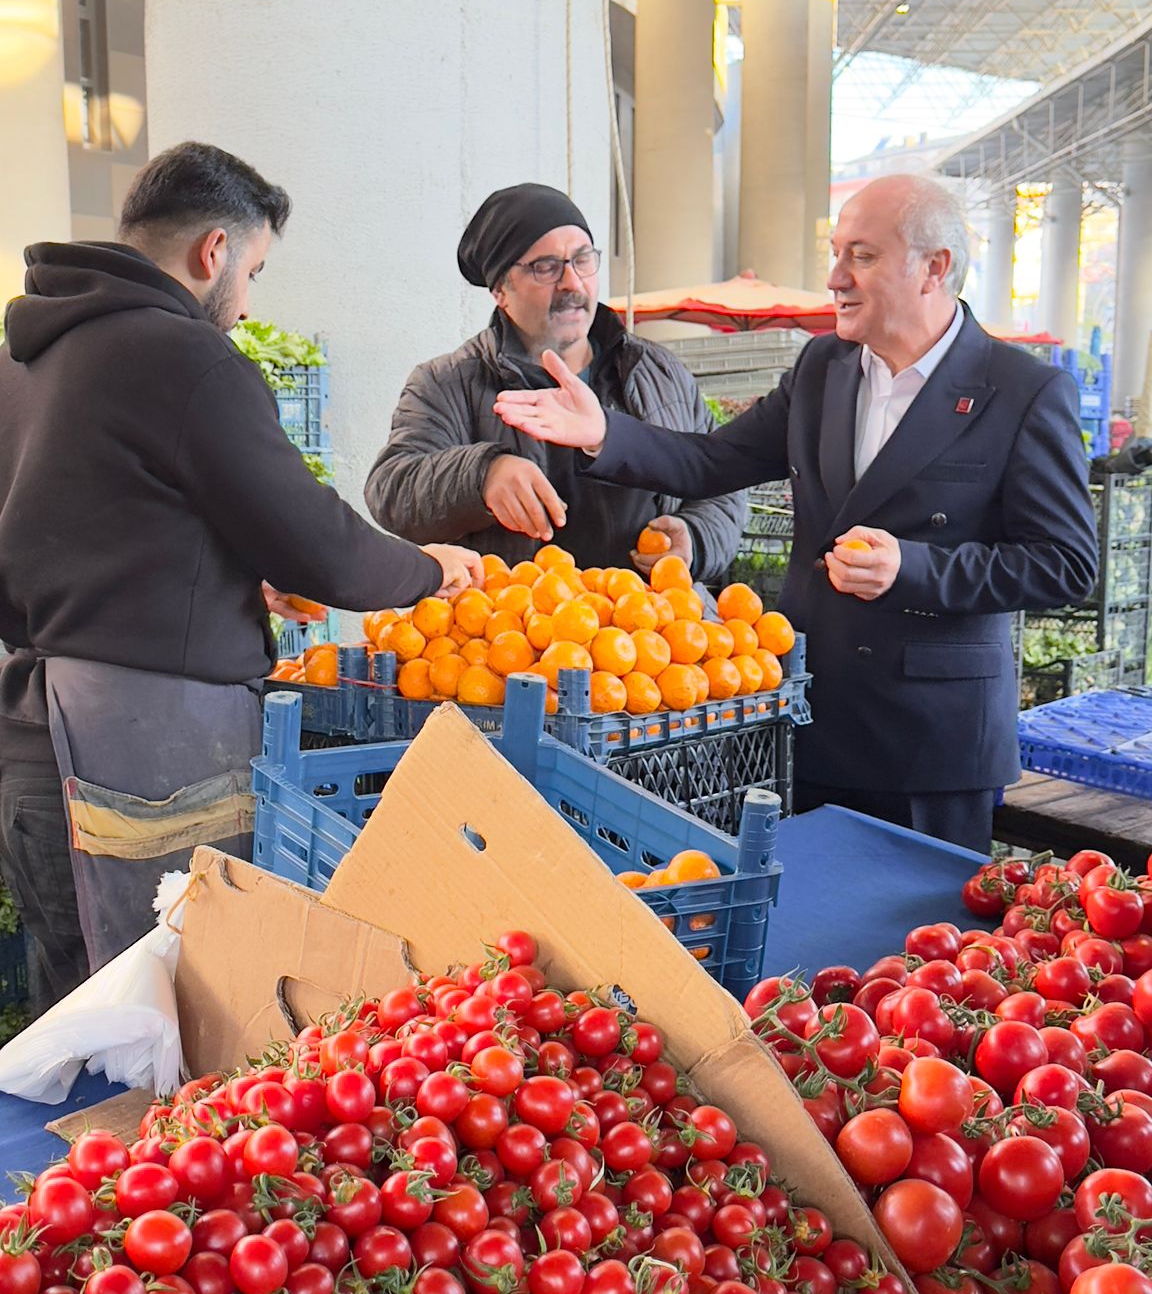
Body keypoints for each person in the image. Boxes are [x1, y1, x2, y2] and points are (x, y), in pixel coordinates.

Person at [0, 140, 482, 1004]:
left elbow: (86, 533)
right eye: (253, 271)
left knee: (69, 1025)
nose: (247, 301)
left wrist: (212, 578)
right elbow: (318, 544)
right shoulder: (184, 356)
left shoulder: (21, 364)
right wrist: (427, 567)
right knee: (173, 1015)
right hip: (145, 764)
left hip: (32, 749)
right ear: (213, 250)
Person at [494, 174, 1099, 852]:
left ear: (935, 268)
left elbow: (1065, 564)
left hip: (932, 748)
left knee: (923, 920)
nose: (835, 277)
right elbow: (713, 461)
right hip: (811, 720)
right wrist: (604, 432)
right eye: (836, 254)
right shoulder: (823, 366)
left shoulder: (1023, 391)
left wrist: (912, 567)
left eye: (861, 256)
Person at [365, 183, 746, 579]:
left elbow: (721, 483)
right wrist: (481, 475)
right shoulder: (448, 383)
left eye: (582, 260)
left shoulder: (658, 371)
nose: (572, 283)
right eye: (545, 267)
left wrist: (694, 538)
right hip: (513, 616)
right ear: (500, 291)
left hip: (651, 617)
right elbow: (392, 489)